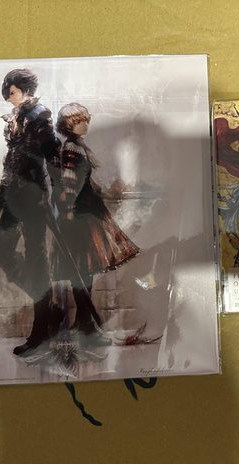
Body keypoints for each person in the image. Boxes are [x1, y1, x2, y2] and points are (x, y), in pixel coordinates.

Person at [0, 68, 60, 355]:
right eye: (8, 93)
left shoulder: (40, 115)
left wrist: (58, 194)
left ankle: (41, 329)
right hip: (12, 194)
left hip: (32, 197)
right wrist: (3, 187)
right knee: (0, 252)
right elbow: (12, 157)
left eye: (13, 93)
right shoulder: (17, 116)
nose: (9, 98)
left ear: (26, 90)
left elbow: (51, 155)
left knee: (36, 259)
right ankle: (49, 305)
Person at [53, 102, 139, 333]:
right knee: (81, 270)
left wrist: (101, 192)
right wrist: (68, 209)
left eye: (86, 120)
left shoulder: (77, 146)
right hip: (79, 215)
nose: (86, 125)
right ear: (69, 124)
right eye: (80, 121)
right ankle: (85, 323)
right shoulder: (72, 148)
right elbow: (70, 182)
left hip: (86, 212)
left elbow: (83, 180)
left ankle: (85, 322)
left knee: (84, 269)